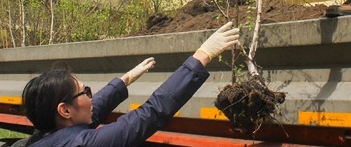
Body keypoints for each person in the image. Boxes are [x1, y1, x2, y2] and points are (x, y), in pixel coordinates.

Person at [20, 22, 240, 146]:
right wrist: (202, 55)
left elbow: (96, 108)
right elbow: (150, 113)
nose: (90, 96)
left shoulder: (48, 136)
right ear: (65, 110)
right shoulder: (85, 144)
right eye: (84, 92)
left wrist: (126, 79)